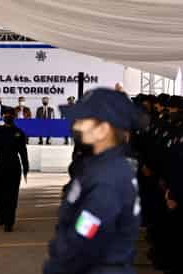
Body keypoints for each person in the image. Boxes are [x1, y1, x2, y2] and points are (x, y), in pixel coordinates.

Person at [43, 88, 141, 274]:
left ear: (103, 130)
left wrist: (57, 265)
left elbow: (85, 235)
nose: (77, 126)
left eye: (83, 120)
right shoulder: (101, 166)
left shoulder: (107, 177)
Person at [0, 108, 29, 232]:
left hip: (14, 166)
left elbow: (23, 152)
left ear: (14, 117)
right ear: (3, 116)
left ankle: (9, 222)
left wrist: (26, 168)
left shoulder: (19, 132)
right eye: (6, 114)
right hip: (0, 165)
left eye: (10, 114)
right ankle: (1, 215)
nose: (8, 116)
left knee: (12, 195)